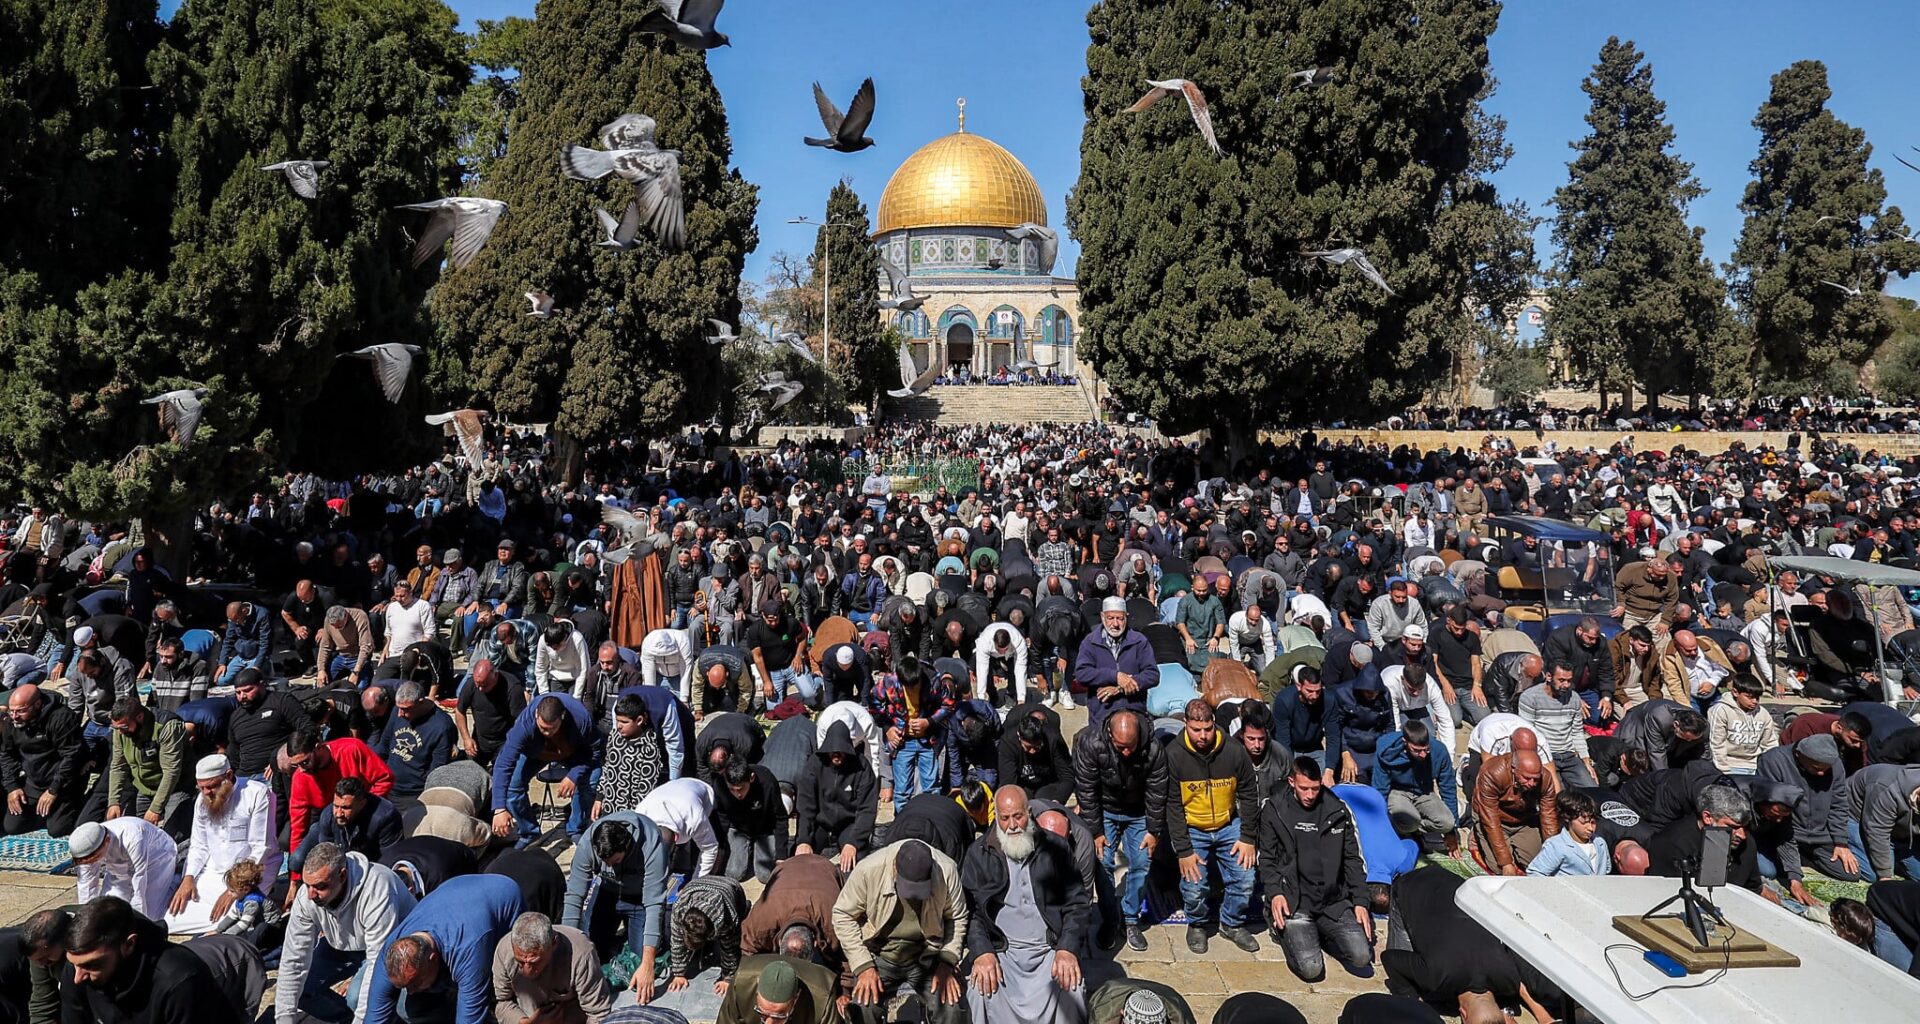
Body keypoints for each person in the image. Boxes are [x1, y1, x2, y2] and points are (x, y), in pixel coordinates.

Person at [961, 786, 1088, 1024]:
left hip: (1048, 950)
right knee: (978, 991)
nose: (1012, 825)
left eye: (1018, 816)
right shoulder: (979, 854)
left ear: (1028, 813)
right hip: (1003, 952)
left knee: (1073, 988)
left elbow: (1077, 904)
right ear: (996, 816)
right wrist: (982, 952)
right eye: (1005, 818)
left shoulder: (1056, 849)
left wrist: (1067, 948)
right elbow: (972, 913)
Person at [1147, 699, 1259, 954]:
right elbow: (1172, 806)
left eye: (1208, 729)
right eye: (1197, 730)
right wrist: (1184, 850)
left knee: (1245, 878)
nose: (1203, 735)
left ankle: (1231, 923)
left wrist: (1248, 836)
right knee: (1194, 885)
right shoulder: (1173, 755)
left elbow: (1249, 794)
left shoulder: (1233, 750)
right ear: (1186, 725)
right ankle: (1197, 924)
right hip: (1193, 827)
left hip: (1228, 823)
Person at [1379, 868, 1557, 1024]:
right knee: (1409, 998)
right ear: (1462, 1014)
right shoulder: (1435, 977)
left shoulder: (1506, 975)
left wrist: (1544, 1017)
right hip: (1413, 884)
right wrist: (1415, 1003)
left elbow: (1519, 986)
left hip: (1456, 885)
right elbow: (1389, 959)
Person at [1257, 755, 1373, 982]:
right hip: (1295, 901)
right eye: (1304, 789)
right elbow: (1267, 858)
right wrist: (1275, 893)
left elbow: (1353, 859)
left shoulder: (1338, 810)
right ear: (1292, 783)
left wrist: (1360, 901)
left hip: (1333, 901)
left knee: (1361, 957)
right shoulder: (1275, 809)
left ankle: (1322, 934)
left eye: (1315, 788)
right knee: (1311, 969)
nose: (1310, 795)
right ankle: (1280, 926)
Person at [278, 842, 421, 1024]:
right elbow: (293, 959)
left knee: (357, 998)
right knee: (302, 988)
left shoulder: (377, 887)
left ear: (342, 875)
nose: (310, 895)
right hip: (345, 944)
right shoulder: (307, 898)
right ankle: (348, 1019)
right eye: (307, 885)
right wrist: (284, 1018)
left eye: (320, 886)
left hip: (394, 947)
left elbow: (378, 961)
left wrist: (363, 1017)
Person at [831, 838, 967, 1024]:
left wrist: (947, 961)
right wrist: (864, 966)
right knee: (862, 1008)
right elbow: (842, 914)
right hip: (880, 955)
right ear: (895, 868)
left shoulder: (946, 870)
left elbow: (957, 917)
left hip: (927, 955)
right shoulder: (869, 870)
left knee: (952, 1008)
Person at [364, 874, 524, 1024]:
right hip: (454, 897)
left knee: (496, 995)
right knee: (413, 1007)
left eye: (415, 982)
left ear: (432, 958)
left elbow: (470, 1018)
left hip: (502, 903)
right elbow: (374, 1016)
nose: (410, 991)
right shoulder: (391, 952)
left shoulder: (468, 949)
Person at [61, 896, 245, 1024]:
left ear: (129, 944)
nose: (78, 978)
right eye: (74, 964)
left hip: (233, 964)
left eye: (93, 965)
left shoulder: (180, 982)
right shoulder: (79, 967)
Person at [1071, 706, 1154, 951]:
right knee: (1103, 862)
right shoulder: (1091, 743)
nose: (1127, 753)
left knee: (1141, 861)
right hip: (1105, 810)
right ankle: (1110, 918)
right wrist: (1096, 831)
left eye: (1132, 746)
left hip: (1138, 812)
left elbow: (1158, 789)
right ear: (1109, 736)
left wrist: (1154, 830)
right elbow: (1086, 790)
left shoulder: (1152, 747)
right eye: (1121, 747)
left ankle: (1130, 919)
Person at [167, 754, 279, 935]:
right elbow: (199, 844)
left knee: (234, 917)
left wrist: (234, 890)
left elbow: (261, 847)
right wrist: (188, 878)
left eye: (211, 786)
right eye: (201, 787)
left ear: (228, 775)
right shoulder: (202, 801)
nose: (206, 793)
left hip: (253, 873)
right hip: (214, 871)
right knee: (172, 914)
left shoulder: (257, 794)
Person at [563, 811, 668, 1000]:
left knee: (640, 960)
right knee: (591, 948)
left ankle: (633, 939)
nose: (610, 867)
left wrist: (648, 963)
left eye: (616, 861)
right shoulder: (588, 843)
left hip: (639, 899)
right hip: (607, 894)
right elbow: (574, 897)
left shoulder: (651, 844)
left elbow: (654, 904)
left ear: (627, 846)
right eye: (605, 863)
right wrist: (566, 949)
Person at [491, 694, 600, 844]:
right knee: (513, 786)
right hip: (535, 753)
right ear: (536, 715)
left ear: (562, 717)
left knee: (591, 780)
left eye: (552, 728)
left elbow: (596, 752)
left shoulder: (581, 719)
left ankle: (576, 829)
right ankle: (529, 832)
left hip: (574, 753)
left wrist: (574, 775)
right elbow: (504, 764)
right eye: (543, 728)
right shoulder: (524, 725)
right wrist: (499, 808)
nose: (547, 733)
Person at [1756, 733, 1862, 883]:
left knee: (1852, 874)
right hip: (1785, 832)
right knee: (1769, 871)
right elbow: (1775, 815)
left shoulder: (1835, 765)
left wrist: (1840, 842)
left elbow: (1838, 804)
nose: (1821, 773)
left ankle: (1804, 858)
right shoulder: (1774, 761)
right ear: (1799, 755)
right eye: (1816, 768)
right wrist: (1794, 874)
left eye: (1825, 770)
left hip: (1819, 836)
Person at [287, 729, 397, 860]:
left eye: (305, 762)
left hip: (364, 814)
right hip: (328, 822)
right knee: (296, 859)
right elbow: (298, 824)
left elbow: (385, 778)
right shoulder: (300, 777)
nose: (301, 769)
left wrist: (361, 805)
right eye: (296, 765)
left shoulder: (352, 749)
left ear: (318, 748)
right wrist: (294, 876)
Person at [490, 911, 612, 1024]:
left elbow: (598, 1013)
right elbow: (502, 1003)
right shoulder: (504, 951)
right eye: (520, 962)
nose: (527, 972)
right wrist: (527, 1022)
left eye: (535, 962)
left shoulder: (580, 954)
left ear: (554, 944)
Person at [867, 655, 955, 809]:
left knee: (932, 788)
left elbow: (949, 705)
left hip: (928, 741)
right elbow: (873, 703)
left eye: (915, 685)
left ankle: (931, 820)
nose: (912, 689)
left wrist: (929, 721)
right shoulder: (889, 682)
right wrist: (888, 728)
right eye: (908, 687)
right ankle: (901, 824)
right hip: (902, 742)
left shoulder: (934, 681)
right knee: (902, 792)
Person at [1646, 784, 1764, 897]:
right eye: (1733, 827)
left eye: (1745, 827)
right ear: (1707, 817)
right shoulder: (1673, 843)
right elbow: (1663, 891)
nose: (1742, 835)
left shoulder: (1747, 844)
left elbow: (1752, 888)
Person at [0, 684, 86, 837]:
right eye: (11, 711)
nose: (14, 716)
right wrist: (12, 787)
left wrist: (54, 790)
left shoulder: (61, 717)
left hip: (63, 783)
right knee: (12, 827)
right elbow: (7, 754)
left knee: (58, 830)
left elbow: (71, 756)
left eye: (20, 711)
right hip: (33, 781)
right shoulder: (12, 722)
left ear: (37, 705)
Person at [100, 696, 192, 838]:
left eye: (124, 727)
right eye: (116, 728)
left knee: (172, 836)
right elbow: (118, 766)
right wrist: (114, 801)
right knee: (137, 834)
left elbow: (171, 772)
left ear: (140, 717)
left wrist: (155, 809)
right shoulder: (120, 731)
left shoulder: (167, 726)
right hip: (145, 787)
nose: (120, 733)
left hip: (176, 787)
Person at [793, 721, 879, 872]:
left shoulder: (862, 767)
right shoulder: (814, 764)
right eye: (833, 751)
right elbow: (805, 806)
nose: (837, 755)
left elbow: (867, 809)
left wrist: (854, 842)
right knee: (799, 859)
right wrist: (803, 840)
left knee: (855, 862)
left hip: (848, 823)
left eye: (841, 751)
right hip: (821, 822)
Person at [1469, 749, 1560, 875]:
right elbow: (1490, 820)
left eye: (1535, 779)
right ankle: (1477, 835)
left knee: (1538, 863)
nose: (1532, 784)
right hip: (1495, 820)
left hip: (1523, 821)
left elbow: (1549, 816)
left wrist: (1554, 852)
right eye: (1527, 778)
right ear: (1514, 769)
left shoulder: (1545, 779)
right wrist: (1505, 862)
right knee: (1499, 867)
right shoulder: (1493, 772)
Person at [69, 817, 178, 921]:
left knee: (151, 916)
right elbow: (86, 884)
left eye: (95, 858)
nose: (92, 863)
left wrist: (137, 924)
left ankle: (175, 879)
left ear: (107, 840)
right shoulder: (85, 847)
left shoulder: (133, 838)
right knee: (107, 911)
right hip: (119, 867)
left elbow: (139, 886)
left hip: (157, 858)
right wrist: (85, 917)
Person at [1372, 720, 1457, 852]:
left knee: (1447, 822)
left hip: (1424, 791)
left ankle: (1415, 830)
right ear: (1405, 743)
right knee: (1410, 821)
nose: (1423, 754)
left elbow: (1448, 788)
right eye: (1417, 750)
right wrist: (1379, 825)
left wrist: (1451, 832)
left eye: (1426, 749)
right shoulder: (1386, 750)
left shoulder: (1439, 751)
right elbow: (1380, 788)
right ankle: (1400, 828)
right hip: (1397, 791)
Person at [293, 776, 405, 875]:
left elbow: (390, 858)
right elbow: (326, 854)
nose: (338, 813)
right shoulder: (328, 815)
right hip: (343, 860)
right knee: (296, 862)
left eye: (346, 808)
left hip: (372, 862)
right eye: (336, 806)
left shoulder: (385, 817)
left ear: (362, 804)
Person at [1075, 597, 1160, 723]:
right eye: (1110, 618)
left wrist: (1121, 688)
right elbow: (1082, 673)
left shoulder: (1139, 641)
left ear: (1126, 616)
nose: (1115, 624)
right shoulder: (1090, 642)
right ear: (1102, 616)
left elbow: (1152, 675)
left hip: (1134, 712)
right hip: (1101, 715)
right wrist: (1115, 677)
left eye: (1120, 618)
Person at [664, 874, 749, 997]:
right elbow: (676, 942)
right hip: (697, 884)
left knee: (735, 936)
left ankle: (746, 907)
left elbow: (730, 949)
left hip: (730, 887)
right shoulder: (679, 909)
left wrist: (727, 978)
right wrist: (679, 973)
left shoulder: (728, 918)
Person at [1517, 661, 1598, 787]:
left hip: (1569, 755)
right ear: (1549, 677)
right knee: (1557, 792)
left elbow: (1576, 732)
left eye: (1569, 681)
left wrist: (1586, 760)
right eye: (1561, 680)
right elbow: (1528, 733)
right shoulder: (1530, 697)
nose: (1566, 685)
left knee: (1592, 787)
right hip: (1545, 755)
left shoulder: (1574, 698)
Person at [592, 693, 669, 817]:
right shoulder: (615, 737)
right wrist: (599, 798)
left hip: (632, 813)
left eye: (624, 722)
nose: (619, 726)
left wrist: (633, 816)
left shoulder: (649, 748)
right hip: (609, 807)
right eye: (617, 721)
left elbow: (645, 788)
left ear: (639, 720)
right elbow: (607, 770)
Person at [713, 757, 787, 884]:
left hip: (765, 828)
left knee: (766, 876)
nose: (737, 794)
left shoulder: (767, 781)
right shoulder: (720, 784)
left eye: (741, 788)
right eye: (732, 789)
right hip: (738, 828)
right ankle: (747, 850)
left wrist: (781, 855)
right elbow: (721, 817)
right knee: (734, 874)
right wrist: (720, 846)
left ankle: (757, 850)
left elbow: (780, 817)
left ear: (751, 778)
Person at [1845, 761, 1920, 881]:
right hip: (1857, 818)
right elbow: (1877, 832)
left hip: (1901, 831)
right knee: (1873, 875)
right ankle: (1824, 849)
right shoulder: (1888, 789)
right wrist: (1885, 875)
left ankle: (1893, 858)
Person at [715, 957, 841, 1024]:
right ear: (756, 993)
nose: (770, 1023)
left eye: (779, 1016)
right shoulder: (741, 983)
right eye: (762, 1014)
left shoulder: (822, 997)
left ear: (795, 999)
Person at [637, 777, 720, 876]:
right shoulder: (641, 814)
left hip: (702, 793)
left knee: (693, 863)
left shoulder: (694, 817)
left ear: (676, 838)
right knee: (679, 865)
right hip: (672, 790)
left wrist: (695, 883)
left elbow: (710, 848)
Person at [748, 600, 820, 711]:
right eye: (770, 620)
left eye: (776, 620)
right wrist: (766, 681)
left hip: (792, 665)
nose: (773, 623)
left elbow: (802, 638)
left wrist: (798, 656)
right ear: (763, 615)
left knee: (810, 694)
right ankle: (782, 694)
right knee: (774, 709)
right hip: (772, 671)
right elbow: (758, 657)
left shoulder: (790, 622)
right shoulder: (755, 630)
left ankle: (817, 681)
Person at [455, 659, 526, 769]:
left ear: (495, 675)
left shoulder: (512, 687)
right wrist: (466, 739)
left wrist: (513, 746)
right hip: (480, 738)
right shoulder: (471, 685)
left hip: (503, 740)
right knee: (472, 772)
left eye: (485, 685)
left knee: (500, 774)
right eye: (478, 684)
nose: (480, 689)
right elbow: (460, 711)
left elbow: (520, 720)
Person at [1524, 790, 1611, 878]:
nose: (1590, 828)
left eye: (1593, 823)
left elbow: (1606, 869)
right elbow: (1535, 872)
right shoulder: (1556, 845)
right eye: (1583, 823)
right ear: (1568, 819)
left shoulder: (1600, 843)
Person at [997, 704, 1073, 803]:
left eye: (1037, 746)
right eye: (1028, 747)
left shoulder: (1053, 739)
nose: (1033, 751)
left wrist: (1057, 801)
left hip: (1047, 783)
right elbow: (1008, 783)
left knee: (1044, 806)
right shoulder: (1008, 742)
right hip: (1022, 784)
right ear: (1019, 736)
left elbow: (1067, 776)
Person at [1708, 675, 1779, 774]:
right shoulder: (1721, 711)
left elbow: (1770, 743)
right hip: (1730, 765)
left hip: (1756, 765)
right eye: (1749, 697)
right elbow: (1717, 744)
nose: (1754, 701)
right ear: (1735, 692)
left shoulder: (1763, 713)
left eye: (1757, 698)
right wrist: (1724, 771)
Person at [213, 600, 272, 683]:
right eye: (232, 621)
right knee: (221, 681)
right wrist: (222, 663)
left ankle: (266, 668)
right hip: (241, 656)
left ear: (244, 611)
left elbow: (265, 643)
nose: (235, 623)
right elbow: (228, 640)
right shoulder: (234, 619)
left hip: (256, 656)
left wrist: (257, 665)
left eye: (236, 620)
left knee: (248, 681)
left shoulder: (262, 614)